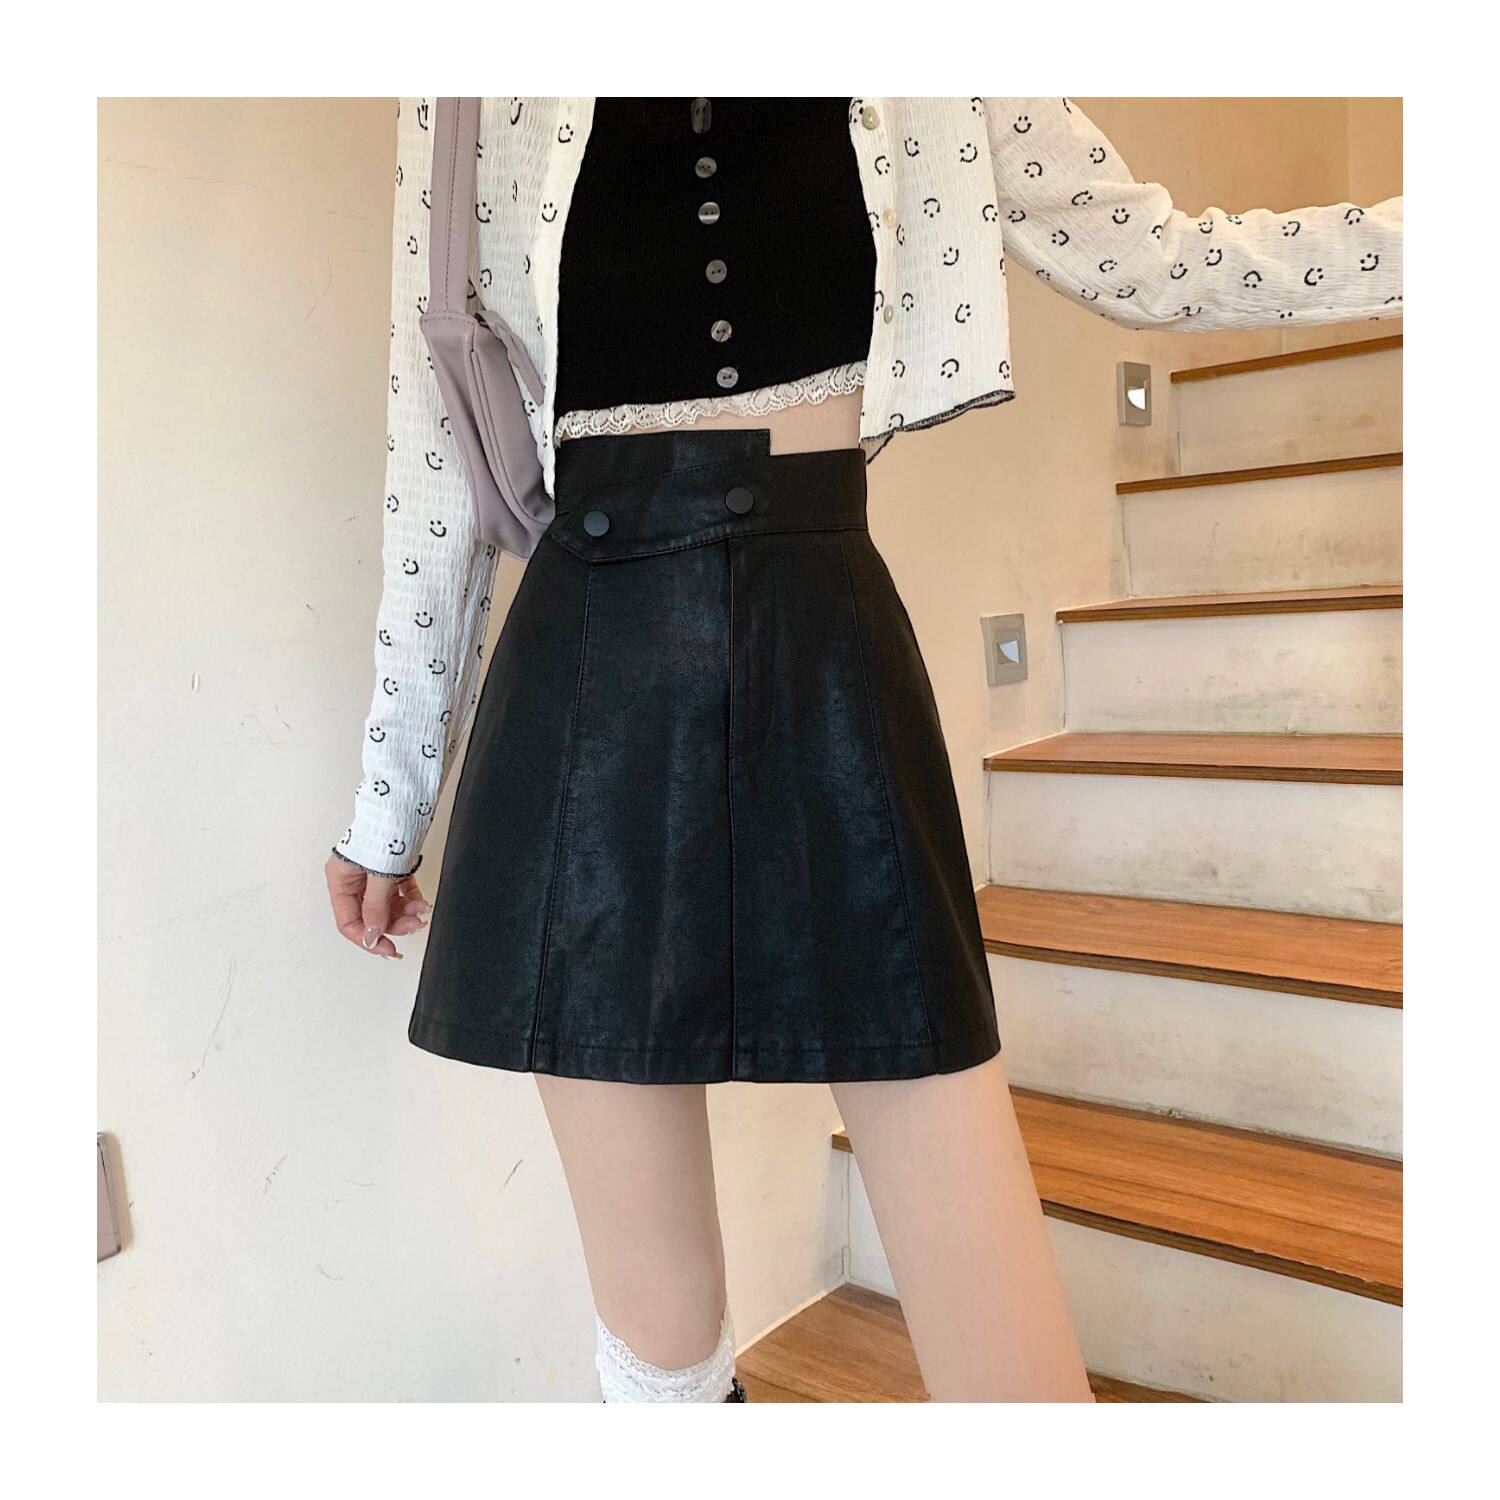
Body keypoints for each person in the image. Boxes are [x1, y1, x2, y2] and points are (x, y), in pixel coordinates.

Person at [325, 97, 1402, 1402]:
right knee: (659, 1336)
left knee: (1000, 1338)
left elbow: (1158, 255)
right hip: (590, 670)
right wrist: (388, 809)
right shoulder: (474, 83)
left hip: (822, 649)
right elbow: (432, 454)